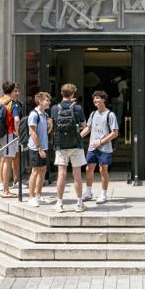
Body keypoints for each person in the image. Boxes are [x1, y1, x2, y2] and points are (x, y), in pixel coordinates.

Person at [52, 83, 88, 212]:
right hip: (76, 145)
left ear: (62, 93)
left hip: (60, 145)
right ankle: (79, 203)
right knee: (77, 175)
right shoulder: (77, 108)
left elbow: (53, 125)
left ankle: (59, 203)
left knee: (61, 174)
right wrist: (79, 136)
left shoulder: (55, 108)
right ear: (73, 94)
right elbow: (85, 126)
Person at [0, 81, 23, 200]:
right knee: (7, 160)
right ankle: (6, 191)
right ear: (12, 91)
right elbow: (16, 120)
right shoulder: (12, 104)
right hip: (8, 134)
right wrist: (17, 133)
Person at [82, 90, 120, 204]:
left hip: (105, 148)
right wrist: (79, 137)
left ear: (103, 99)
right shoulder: (93, 114)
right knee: (89, 168)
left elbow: (115, 133)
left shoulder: (110, 115)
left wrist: (101, 142)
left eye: (97, 98)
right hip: (92, 147)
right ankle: (88, 192)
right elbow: (88, 128)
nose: (95, 100)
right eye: (94, 99)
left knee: (103, 170)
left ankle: (103, 194)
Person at [27, 91, 52, 206]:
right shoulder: (34, 114)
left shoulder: (45, 115)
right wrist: (39, 148)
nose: (49, 102)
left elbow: (46, 132)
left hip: (44, 146)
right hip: (36, 148)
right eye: (47, 100)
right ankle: (31, 197)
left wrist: (50, 125)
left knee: (43, 170)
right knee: (35, 171)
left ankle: (38, 195)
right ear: (40, 101)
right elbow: (32, 132)